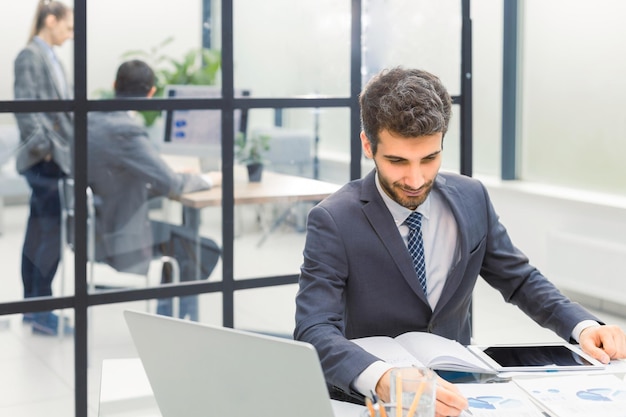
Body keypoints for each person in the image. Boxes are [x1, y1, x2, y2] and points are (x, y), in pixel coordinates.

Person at [294, 67, 626, 417]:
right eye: (397, 161)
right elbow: (314, 329)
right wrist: (382, 378)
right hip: (374, 400)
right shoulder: (333, 219)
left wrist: (584, 326)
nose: (415, 178)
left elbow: (520, 280)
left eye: (430, 158)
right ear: (368, 145)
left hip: (458, 392)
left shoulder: (472, 197)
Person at [87, 59, 222, 321]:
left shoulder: (92, 120)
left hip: (92, 229)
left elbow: (120, 175)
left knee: (185, 241)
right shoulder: (125, 130)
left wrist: (166, 175)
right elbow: (172, 184)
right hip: (117, 236)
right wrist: (210, 179)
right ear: (151, 93)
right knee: (202, 248)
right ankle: (173, 326)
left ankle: (166, 318)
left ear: (115, 85)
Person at [14, 0, 74, 335]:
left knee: (38, 231)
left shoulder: (52, 58)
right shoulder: (30, 57)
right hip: (44, 162)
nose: (70, 35)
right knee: (48, 235)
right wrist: (47, 152)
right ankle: (41, 310)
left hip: (54, 160)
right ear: (50, 21)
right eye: (68, 27)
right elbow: (27, 111)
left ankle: (32, 307)